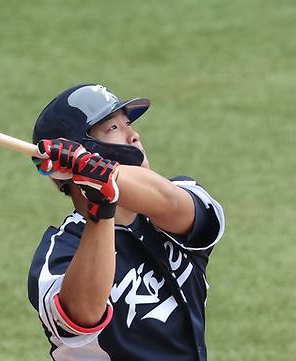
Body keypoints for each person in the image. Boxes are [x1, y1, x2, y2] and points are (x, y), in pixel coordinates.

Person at [27, 84, 225, 361]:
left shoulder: (180, 196)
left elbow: (172, 205)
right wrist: (101, 206)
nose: (134, 136)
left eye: (128, 123)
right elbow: (82, 315)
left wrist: (105, 177)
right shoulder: (58, 255)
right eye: (113, 128)